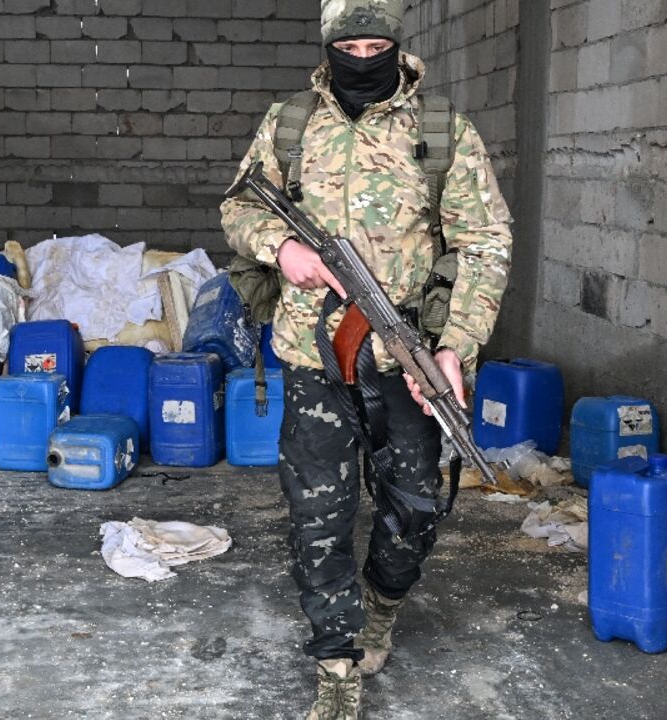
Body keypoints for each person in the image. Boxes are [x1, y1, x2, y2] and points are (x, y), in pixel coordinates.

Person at [219, 2, 514, 717]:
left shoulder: (444, 132)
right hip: (310, 356)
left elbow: (485, 244)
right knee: (317, 516)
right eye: (347, 43)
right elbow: (238, 206)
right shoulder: (290, 123)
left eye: (374, 42)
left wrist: (453, 351)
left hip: (401, 360)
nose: (361, 54)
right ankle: (337, 665)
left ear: (397, 45)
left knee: (413, 513)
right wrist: (280, 248)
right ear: (329, 47)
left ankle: (382, 607)